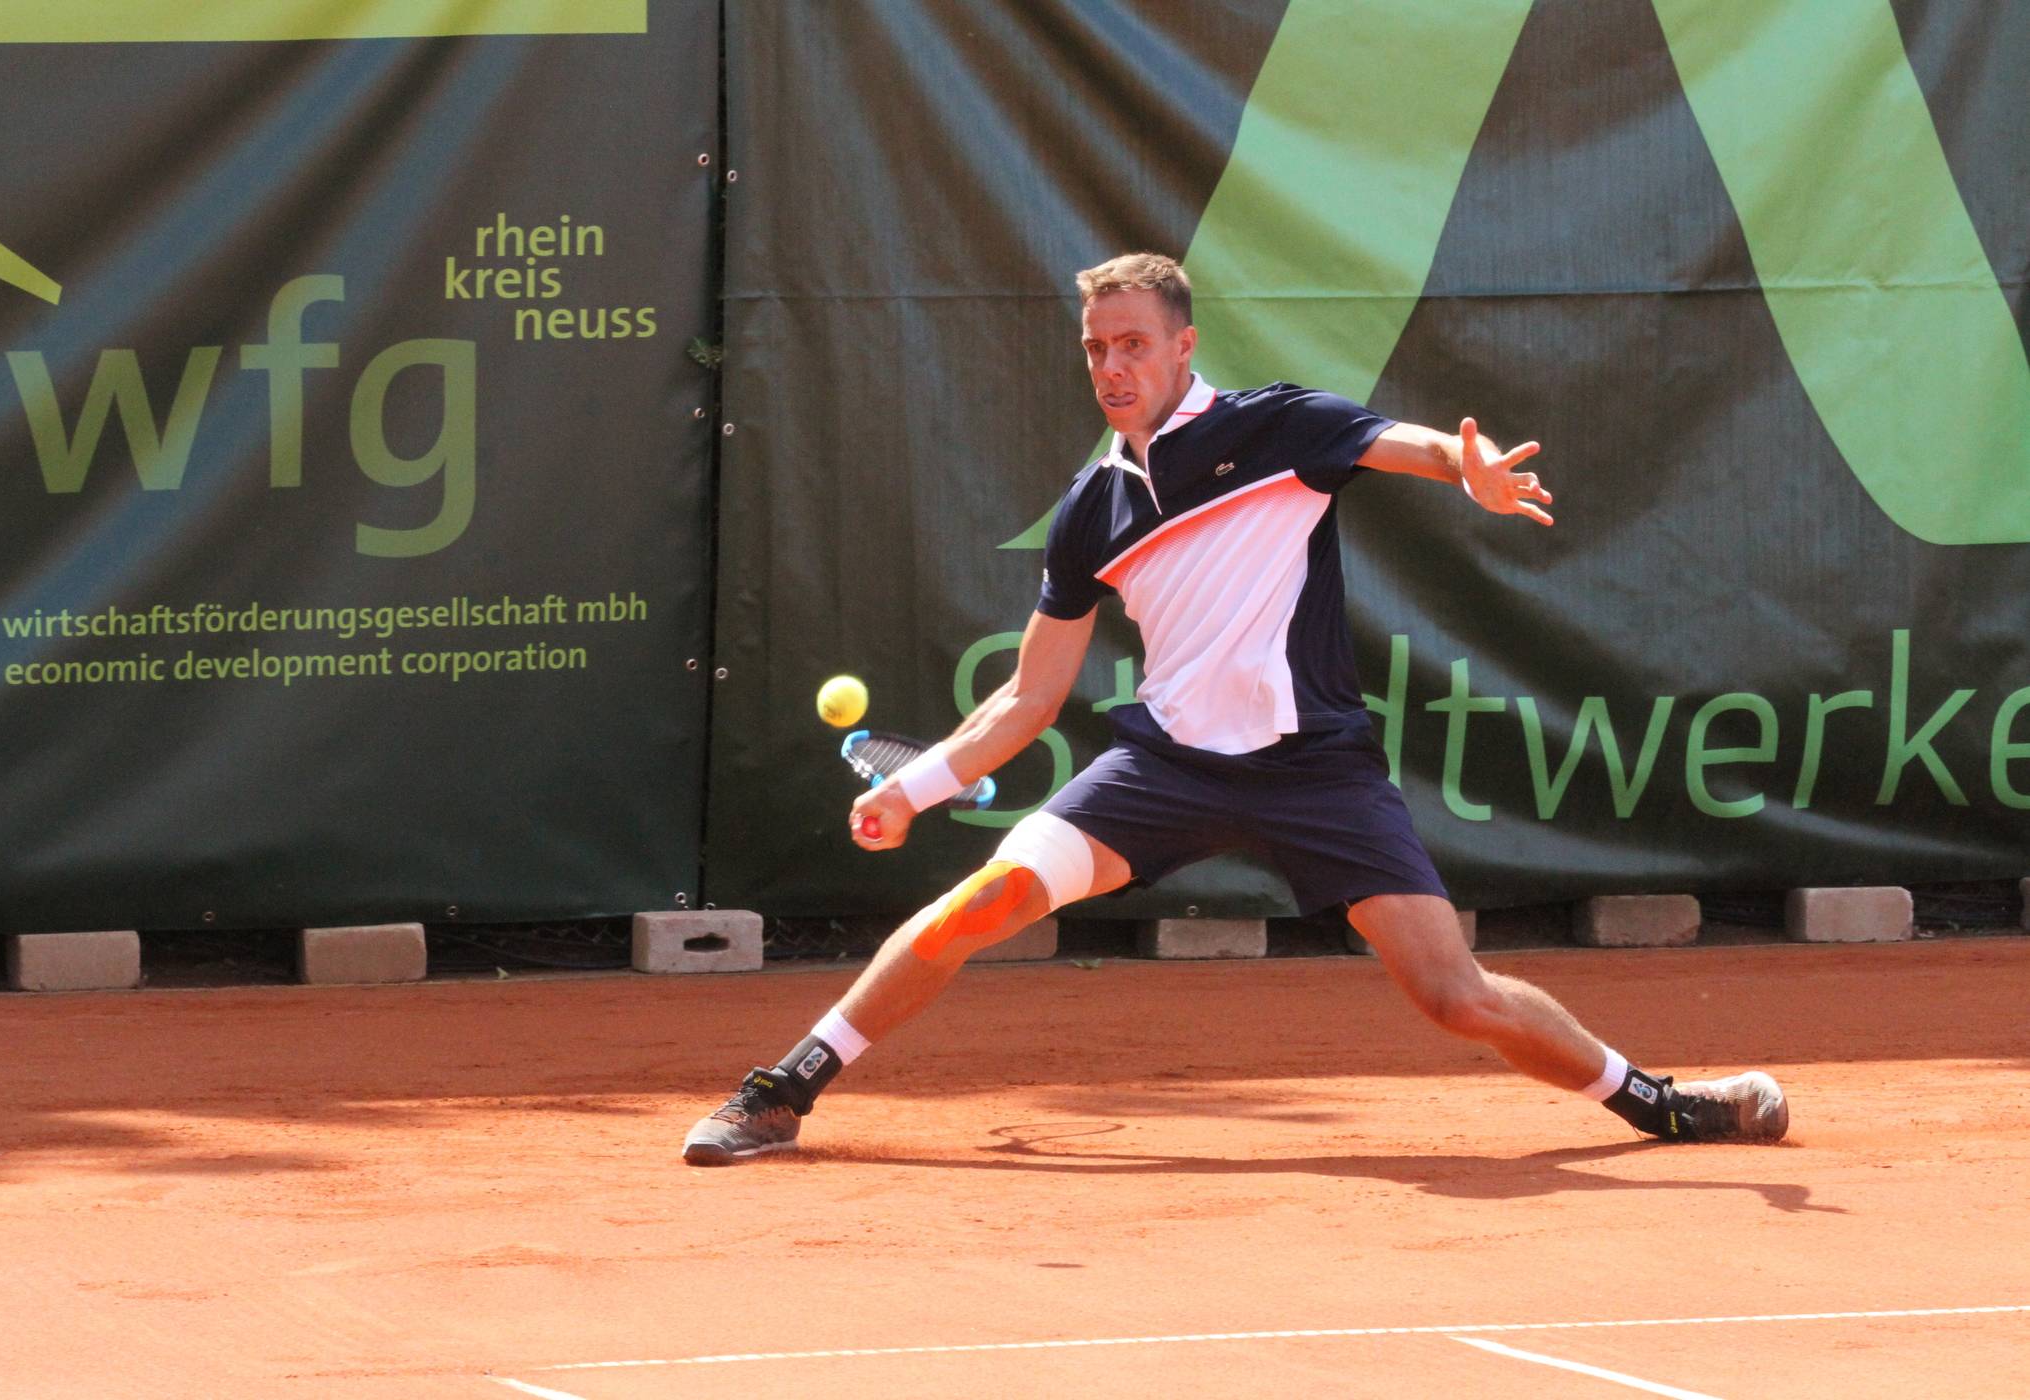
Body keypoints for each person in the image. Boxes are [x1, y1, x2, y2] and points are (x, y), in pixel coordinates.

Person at [682, 251, 1787, 1165]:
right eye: (1095, 349)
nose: (1112, 366)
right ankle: (781, 1091)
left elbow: (1403, 443)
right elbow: (1029, 692)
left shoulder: (1274, 430)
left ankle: (1660, 1103)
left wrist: (1469, 466)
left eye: (1131, 343)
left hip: (1317, 770)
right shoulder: (1092, 512)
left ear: (1181, 346)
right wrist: (916, 791)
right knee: (985, 899)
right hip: (1165, 768)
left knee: (1455, 995)